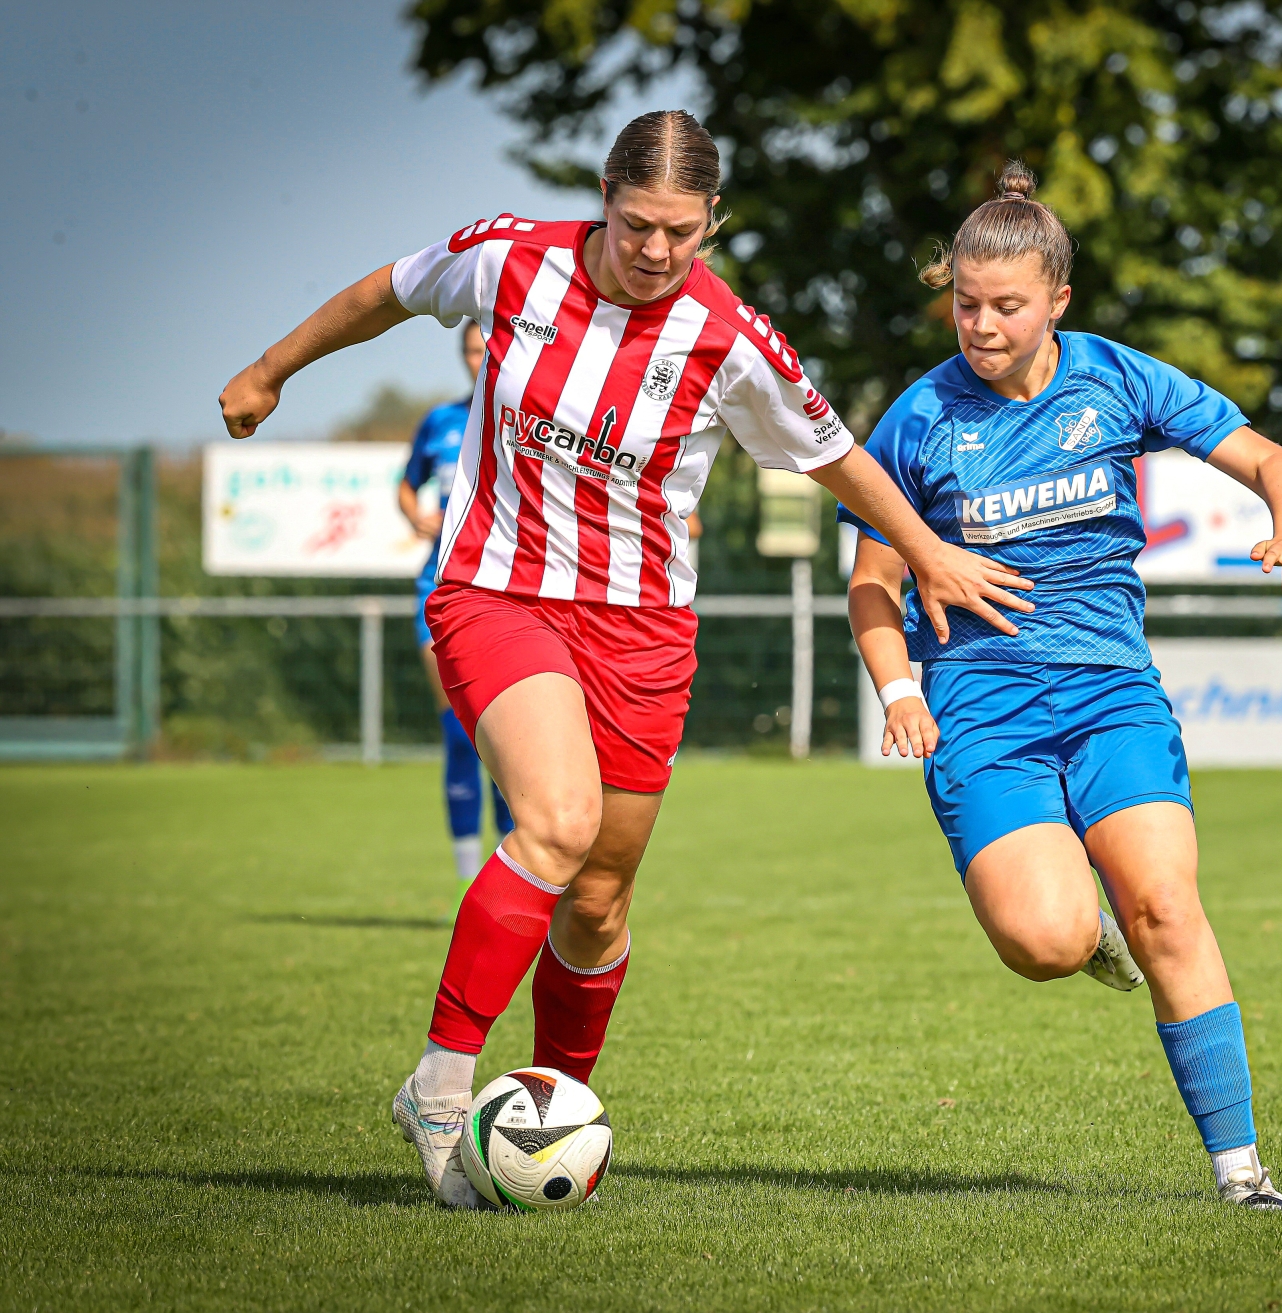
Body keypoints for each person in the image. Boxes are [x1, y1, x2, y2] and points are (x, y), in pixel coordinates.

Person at [218, 110, 1032, 1209]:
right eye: (638, 223)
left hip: (644, 630)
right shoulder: (509, 259)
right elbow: (386, 292)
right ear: (604, 197)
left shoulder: (730, 338)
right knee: (557, 823)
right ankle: (441, 1083)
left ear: (712, 221)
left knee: (599, 896)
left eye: (681, 231)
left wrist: (927, 551)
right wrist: (272, 368)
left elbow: (836, 455)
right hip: (497, 593)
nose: (656, 250)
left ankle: (550, 1119)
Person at [840, 162, 1282, 1211]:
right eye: (966, 304)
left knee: (1166, 905)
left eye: (1006, 306)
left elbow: (1273, 462)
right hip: (981, 710)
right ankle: (1086, 931)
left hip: (1112, 695)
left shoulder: (1116, 377)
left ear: (1058, 298)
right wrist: (900, 691)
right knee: (1045, 940)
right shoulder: (919, 418)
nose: (981, 325)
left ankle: (1242, 1174)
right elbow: (873, 584)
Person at [397, 319, 514, 886]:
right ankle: (469, 883)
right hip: (439, 585)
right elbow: (407, 484)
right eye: (470, 350)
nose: (478, 359)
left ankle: (512, 881)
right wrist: (416, 515)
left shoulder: (528, 417)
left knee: (510, 738)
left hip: (505, 591)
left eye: (486, 348)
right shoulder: (440, 421)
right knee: (460, 731)